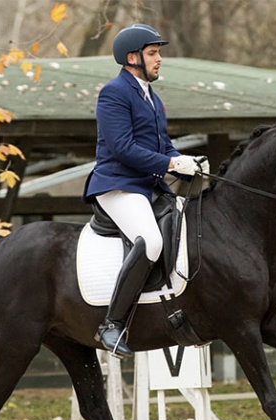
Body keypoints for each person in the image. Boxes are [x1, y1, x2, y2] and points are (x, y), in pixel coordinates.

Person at [82, 23, 210, 358]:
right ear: (132, 57)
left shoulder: (152, 98)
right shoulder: (114, 93)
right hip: (117, 185)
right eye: (153, 53)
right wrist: (170, 166)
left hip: (146, 185)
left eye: (158, 53)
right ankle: (111, 324)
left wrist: (186, 160)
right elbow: (122, 148)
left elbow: (164, 146)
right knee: (151, 241)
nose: (159, 59)